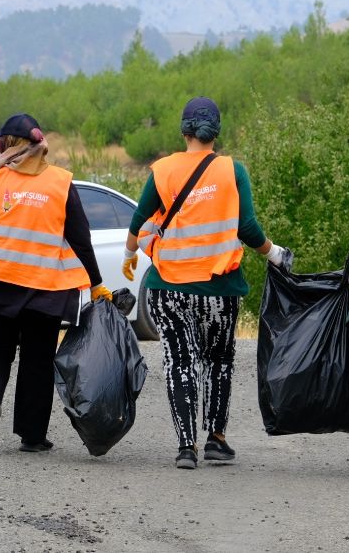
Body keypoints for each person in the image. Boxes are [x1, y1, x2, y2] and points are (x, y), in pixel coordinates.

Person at [122, 96, 290, 469]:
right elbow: (246, 227)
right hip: (220, 290)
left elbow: (139, 219)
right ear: (216, 132)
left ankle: (186, 447)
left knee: (179, 362)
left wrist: (129, 254)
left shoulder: (163, 171)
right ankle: (216, 439)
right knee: (218, 362)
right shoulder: (232, 170)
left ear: (184, 130)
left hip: (170, 290)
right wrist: (274, 253)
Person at [0, 113, 112, 453]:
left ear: (8, 145)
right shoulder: (60, 182)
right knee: (37, 359)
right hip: (45, 287)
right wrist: (96, 283)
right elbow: (80, 238)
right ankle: (32, 435)